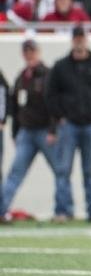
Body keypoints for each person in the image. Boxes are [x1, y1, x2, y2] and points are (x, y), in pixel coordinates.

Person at [45, 25, 91, 223]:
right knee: (63, 169)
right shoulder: (60, 66)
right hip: (69, 125)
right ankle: (62, 211)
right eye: (76, 37)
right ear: (72, 40)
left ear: (86, 39)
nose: (79, 40)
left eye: (82, 37)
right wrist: (60, 117)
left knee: (89, 170)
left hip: (90, 125)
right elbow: (50, 95)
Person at [0, 40, 66, 221]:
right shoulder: (22, 77)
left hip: (45, 131)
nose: (29, 54)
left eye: (32, 51)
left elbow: (54, 104)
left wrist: (53, 130)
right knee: (15, 173)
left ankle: (63, 211)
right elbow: (14, 107)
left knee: (60, 170)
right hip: (27, 133)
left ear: (38, 52)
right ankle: (1, 210)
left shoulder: (48, 75)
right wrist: (15, 132)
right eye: (26, 51)